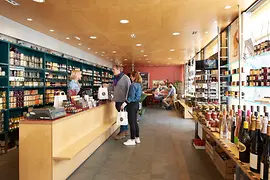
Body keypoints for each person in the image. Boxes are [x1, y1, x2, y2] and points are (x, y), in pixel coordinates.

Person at [106, 63, 131, 140]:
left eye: (113, 69)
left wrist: (126, 102)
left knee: (121, 116)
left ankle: (122, 132)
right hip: (117, 100)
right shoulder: (116, 78)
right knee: (122, 116)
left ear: (118, 69)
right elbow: (113, 87)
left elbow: (129, 89)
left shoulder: (125, 78)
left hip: (122, 101)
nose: (112, 70)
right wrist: (107, 86)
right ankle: (126, 130)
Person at [122, 71, 142, 146]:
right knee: (135, 122)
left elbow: (131, 97)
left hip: (132, 105)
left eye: (131, 76)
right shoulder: (139, 85)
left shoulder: (133, 85)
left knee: (131, 122)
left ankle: (132, 139)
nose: (130, 77)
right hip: (136, 104)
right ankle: (137, 138)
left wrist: (124, 104)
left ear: (134, 77)